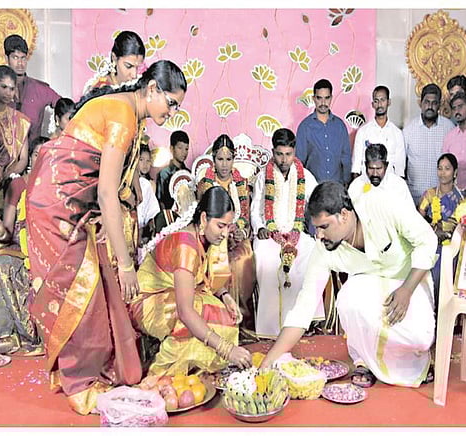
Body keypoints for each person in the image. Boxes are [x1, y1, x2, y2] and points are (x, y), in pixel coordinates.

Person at [25, 59, 187, 414]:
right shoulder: (124, 116)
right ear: (152, 89)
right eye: (171, 103)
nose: (172, 112)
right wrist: (126, 265)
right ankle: (80, 382)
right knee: (80, 289)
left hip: (75, 204)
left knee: (98, 284)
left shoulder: (131, 112)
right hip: (57, 204)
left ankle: (99, 368)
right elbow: (106, 193)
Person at [260, 181, 437, 389]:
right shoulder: (323, 249)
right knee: (348, 299)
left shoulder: (381, 204)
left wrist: (407, 290)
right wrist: (267, 363)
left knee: (421, 338)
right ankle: (364, 361)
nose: (319, 235)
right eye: (316, 228)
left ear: (344, 215)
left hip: (410, 282)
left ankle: (415, 361)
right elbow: (304, 307)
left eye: (324, 227)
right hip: (370, 290)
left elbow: (428, 240)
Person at [132, 186, 252, 376]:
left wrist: (225, 296)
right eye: (220, 226)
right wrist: (227, 349)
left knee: (223, 314)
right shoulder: (185, 245)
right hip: (148, 303)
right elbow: (185, 312)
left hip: (175, 297)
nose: (225, 234)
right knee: (197, 313)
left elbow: (205, 276)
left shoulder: (204, 237)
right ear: (204, 219)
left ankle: (196, 368)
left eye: (228, 227)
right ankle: (163, 376)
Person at [251, 128, 325, 338]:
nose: (284, 160)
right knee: (265, 260)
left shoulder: (305, 176)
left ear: (294, 152)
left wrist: (319, 227)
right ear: (273, 152)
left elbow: (318, 202)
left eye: (288, 154)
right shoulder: (262, 177)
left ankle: (304, 321)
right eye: (279, 154)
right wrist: (260, 228)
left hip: (296, 233)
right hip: (269, 235)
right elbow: (255, 209)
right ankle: (271, 328)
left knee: (312, 254)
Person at [0, 137, 48, 357]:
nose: (40, 159)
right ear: (30, 158)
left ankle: (40, 337)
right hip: (22, 249)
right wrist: (0, 231)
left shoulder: (57, 185)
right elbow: (8, 232)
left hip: (50, 252)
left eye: (46, 155)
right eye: (37, 154)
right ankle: (7, 335)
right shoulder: (19, 185)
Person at [196, 134, 256, 337]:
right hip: (213, 238)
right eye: (220, 159)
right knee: (221, 260)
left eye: (228, 159)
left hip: (237, 236)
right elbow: (203, 218)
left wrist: (239, 231)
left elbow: (245, 216)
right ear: (213, 159)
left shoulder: (241, 183)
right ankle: (221, 321)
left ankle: (244, 321)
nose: (224, 164)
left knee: (243, 258)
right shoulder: (205, 184)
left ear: (233, 160)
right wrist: (223, 232)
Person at [418, 153, 466, 311]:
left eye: (447, 168)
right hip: (431, 243)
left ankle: (447, 313)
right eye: (440, 168)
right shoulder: (429, 194)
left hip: (452, 247)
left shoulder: (461, 199)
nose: (443, 173)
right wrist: (432, 231)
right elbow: (417, 220)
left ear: (455, 172)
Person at [0, 65, 31, 217]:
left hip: (8, 185)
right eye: (3, 87)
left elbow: (23, 159)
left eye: (11, 89)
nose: (7, 93)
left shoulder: (20, 120)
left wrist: (5, 176)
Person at [4, 34, 61, 145]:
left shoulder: (40, 89)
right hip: (3, 153)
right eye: (15, 57)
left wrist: (53, 141)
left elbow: (65, 108)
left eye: (23, 58)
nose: (20, 63)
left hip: (33, 153)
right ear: (7, 59)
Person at [403, 83, 455, 206]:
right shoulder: (409, 130)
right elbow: (402, 165)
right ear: (420, 103)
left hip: (442, 198)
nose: (430, 107)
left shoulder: (449, 128)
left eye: (434, 103)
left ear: (439, 105)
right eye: (426, 102)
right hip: (414, 198)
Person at [296, 78, 351, 185]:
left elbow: (346, 157)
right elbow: (299, 161)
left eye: (326, 98)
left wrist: (346, 183)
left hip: (337, 187)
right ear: (314, 98)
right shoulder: (305, 127)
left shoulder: (340, 126)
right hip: (313, 187)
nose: (323, 102)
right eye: (319, 98)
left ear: (331, 98)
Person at [351, 85, 405, 179]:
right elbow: (356, 168)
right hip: (366, 183)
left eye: (382, 100)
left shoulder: (397, 133)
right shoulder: (363, 132)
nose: (379, 104)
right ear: (372, 104)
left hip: (389, 183)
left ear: (389, 102)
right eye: (376, 101)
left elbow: (400, 169)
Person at [348, 143, 413, 209]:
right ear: (365, 165)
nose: (375, 174)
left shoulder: (398, 186)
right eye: (371, 168)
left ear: (386, 166)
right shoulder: (356, 186)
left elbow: (409, 212)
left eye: (379, 169)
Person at [82, 30, 146, 95]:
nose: (134, 75)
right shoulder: (99, 89)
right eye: (128, 66)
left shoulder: (139, 84)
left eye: (138, 67)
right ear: (114, 58)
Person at [155, 130, 190, 231]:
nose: (184, 152)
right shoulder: (164, 173)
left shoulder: (188, 173)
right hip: (169, 221)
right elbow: (160, 201)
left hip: (186, 220)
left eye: (186, 149)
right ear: (171, 148)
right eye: (180, 148)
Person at [137, 144, 160, 246]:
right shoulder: (128, 181)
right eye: (141, 160)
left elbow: (150, 207)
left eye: (148, 161)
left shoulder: (149, 184)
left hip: (144, 227)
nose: (145, 164)